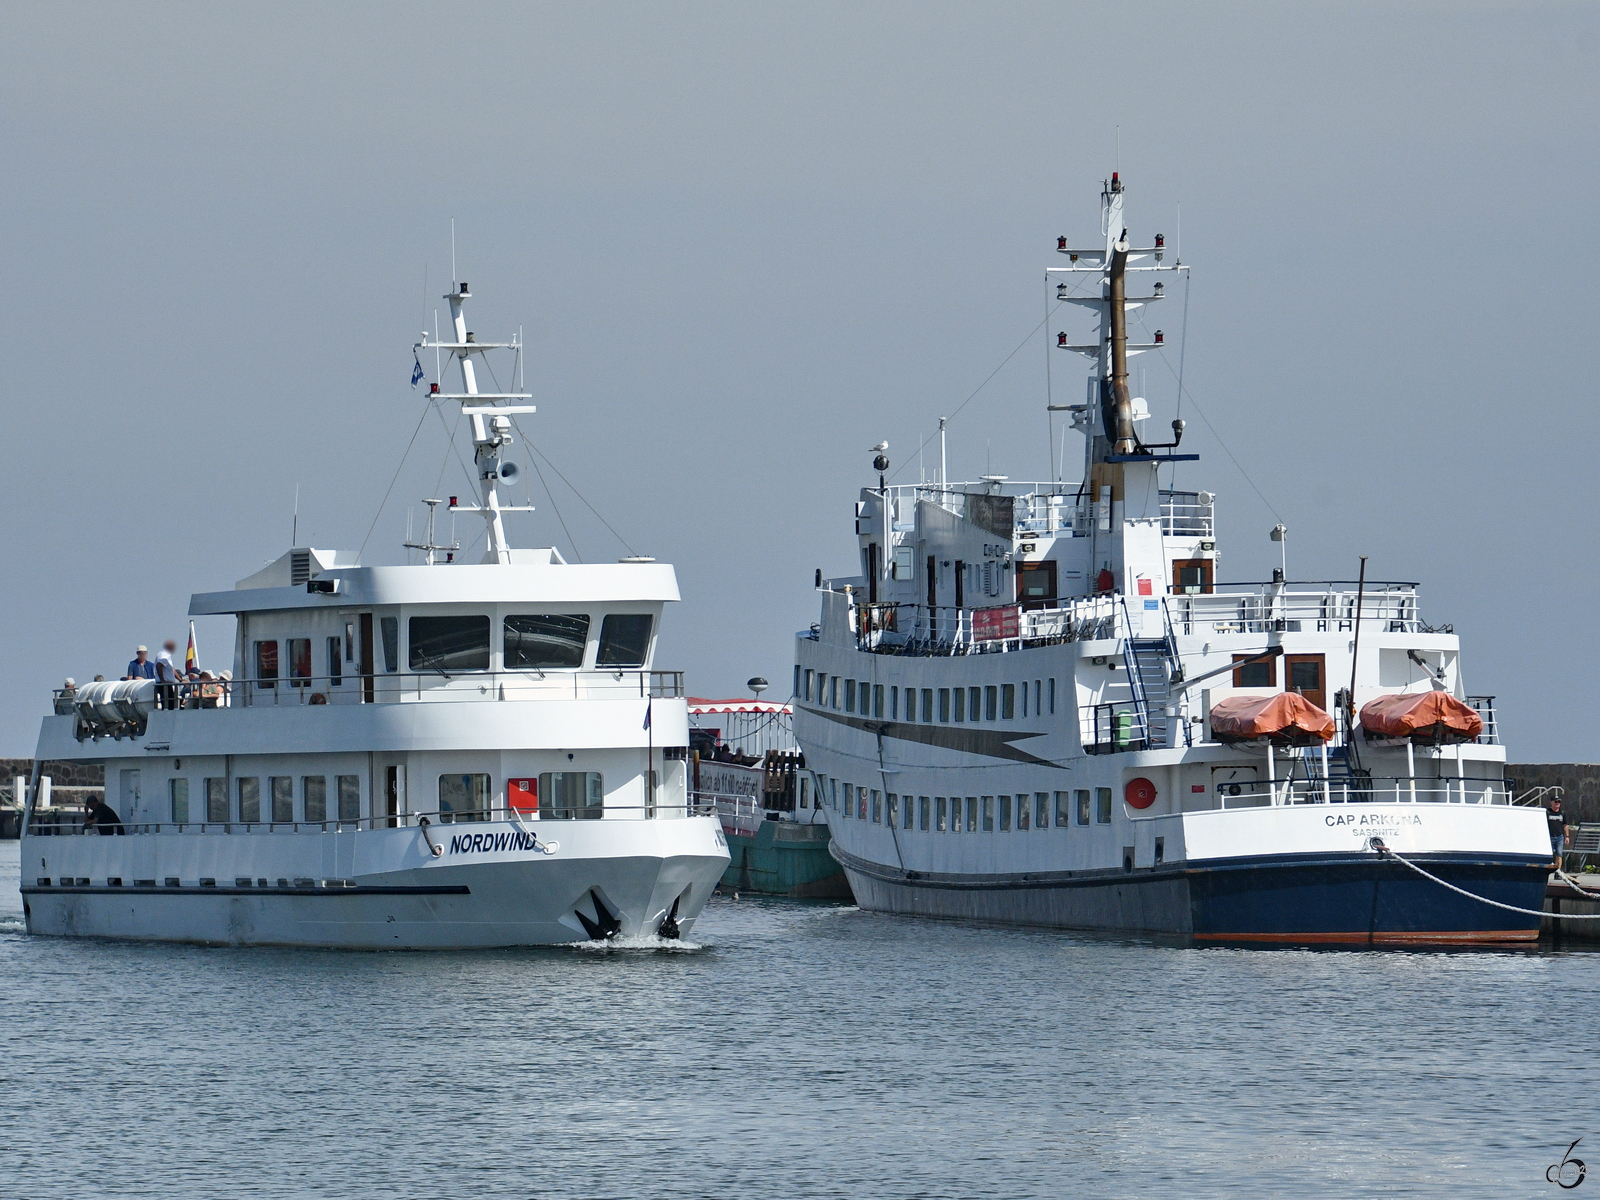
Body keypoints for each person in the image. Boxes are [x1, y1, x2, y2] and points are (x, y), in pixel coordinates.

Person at [155, 640, 181, 710]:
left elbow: (171, 669)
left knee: (170, 704)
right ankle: (168, 718)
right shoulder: (165, 656)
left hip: (166, 684)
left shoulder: (164, 654)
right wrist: (163, 680)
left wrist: (180, 679)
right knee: (168, 705)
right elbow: (159, 665)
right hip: (164, 685)